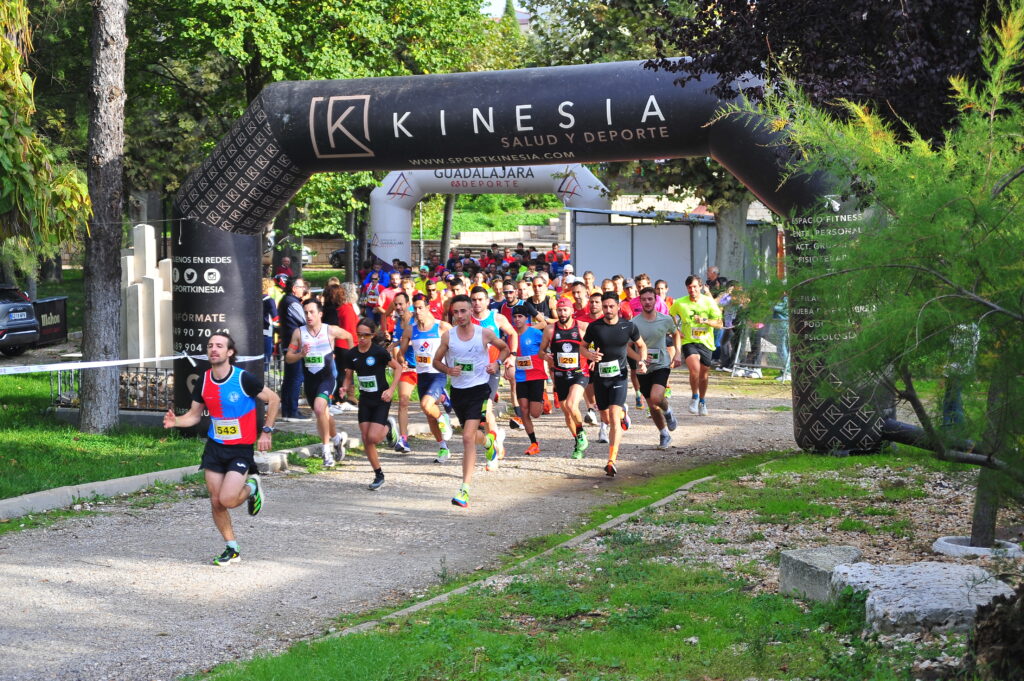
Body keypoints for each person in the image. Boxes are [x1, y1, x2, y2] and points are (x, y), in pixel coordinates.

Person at [163, 333, 279, 566]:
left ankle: (252, 487)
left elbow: (273, 399)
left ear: (230, 352)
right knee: (216, 501)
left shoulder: (243, 378)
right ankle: (232, 548)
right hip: (215, 447)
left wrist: (266, 431)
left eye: (219, 346)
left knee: (228, 500)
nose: (213, 349)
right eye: (210, 346)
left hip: (240, 449)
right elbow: (194, 416)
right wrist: (176, 422)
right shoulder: (204, 380)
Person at [432, 294, 510, 508]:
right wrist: (448, 370)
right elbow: (435, 361)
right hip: (459, 392)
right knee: (472, 435)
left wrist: (496, 364)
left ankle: (464, 489)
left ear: (470, 311)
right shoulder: (448, 336)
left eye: (463, 311)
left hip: (479, 389)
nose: (459, 315)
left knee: (467, 437)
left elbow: (505, 348)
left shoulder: (484, 333)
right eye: (456, 312)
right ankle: (489, 443)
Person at [582, 292, 647, 477]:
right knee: (605, 417)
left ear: (618, 306)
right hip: (601, 378)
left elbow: (641, 345)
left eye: (611, 306)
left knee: (612, 415)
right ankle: (623, 414)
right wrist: (590, 355)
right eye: (605, 307)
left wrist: (641, 361)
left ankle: (611, 460)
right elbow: (582, 347)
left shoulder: (628, 326)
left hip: (619, 377)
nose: (608, 310)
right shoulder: (595, 327)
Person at [285, 298, 353, 466]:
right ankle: (336, 438)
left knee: (319, 408)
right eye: (306, 312)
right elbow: (288, 358)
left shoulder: (330, 330)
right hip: (310, 381)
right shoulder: (299, 333)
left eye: (312, 312)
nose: (308, 316)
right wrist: (301, 354)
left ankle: (326, 451)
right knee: (322, 413)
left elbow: (349, 336)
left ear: (320, 314)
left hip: (327, 378)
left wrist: (351, 361)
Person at [340, 318, 403, 490]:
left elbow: (398, 368)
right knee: (366, 438)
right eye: (359, 335)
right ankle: (378, 474)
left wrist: (391, 389)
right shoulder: (351, 354)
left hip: (381, 399)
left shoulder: (379, 352)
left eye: (365, 335)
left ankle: (388, 427)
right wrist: (344, 388)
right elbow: (348, 376)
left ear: (372, 335)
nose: (361, 338)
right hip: (365, 400)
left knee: (374, 437)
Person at [400, 293, 455, 462]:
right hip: (422, 375)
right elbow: (401, 352)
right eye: (415, 309)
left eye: (420, 308)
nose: (417, 312)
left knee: (426, 404)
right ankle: (443, 448)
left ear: (428, 308)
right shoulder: (410, 329)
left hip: (438, 373)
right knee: (428, 414)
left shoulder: (441, 327)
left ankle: (444, 419)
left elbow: (457, 344)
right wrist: (402, 361)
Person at [540, 297, 591, 459]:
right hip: (560, 375)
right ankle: (578, 443)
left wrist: (593, 359)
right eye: (559, 310)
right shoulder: (550, 330)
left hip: (579, 373)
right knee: (567, 413)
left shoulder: (582, 328)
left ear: (571, 311)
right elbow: (541, 351)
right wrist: (545, 356)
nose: (562, 313)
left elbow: (594, 346)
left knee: (571, 404)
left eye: (565, 310)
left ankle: (581, 433)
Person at [633, 287, 682, 449]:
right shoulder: (634, 323)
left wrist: (677, 353)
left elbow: (676, 334)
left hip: (661, 364)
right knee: (652, 405)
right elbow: (627, 346)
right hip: (643, 368)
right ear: (640, 301)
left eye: (650, 299)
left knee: (656, 397)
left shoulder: (665, 319)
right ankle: (664, 434)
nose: (647, 302)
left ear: (656, 300)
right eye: (644, 299)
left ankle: (668, 411)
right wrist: (639, 358)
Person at [470, 286, 515, 459]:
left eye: (480, 299)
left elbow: (512, 333)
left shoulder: (496, 318)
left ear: (487, 301)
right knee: (479, 414)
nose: (477, 303)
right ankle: (496, 440)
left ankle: (493, 450)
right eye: (474, 300)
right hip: (472, 372)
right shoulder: (465, 319)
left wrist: (512, 355)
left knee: (486, 410)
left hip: (491, 369)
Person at [670, 275, 724, 416]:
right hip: (689, 341)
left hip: (706, 341)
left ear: (700, 286)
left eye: (694, 287)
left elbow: (719, 323)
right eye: (689, 287)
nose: (692, 290)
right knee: (695, 369)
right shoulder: (680, 303)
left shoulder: (709, 302)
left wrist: (705, 320)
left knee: (704, 374)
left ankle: (702, 401)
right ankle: (694, 397)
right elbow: (670, 314)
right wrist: (676, 330)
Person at [509, 304, 547, 455]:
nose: (517, 319)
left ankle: (543, 398)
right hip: (521, 377)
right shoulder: (511, 335)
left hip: (536, 376)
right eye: (515, 316)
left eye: (520, 316)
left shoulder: (535, 333)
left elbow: (546, 347)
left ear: (526, 318)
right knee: (523, 410)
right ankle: (534, 443)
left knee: (535, 413)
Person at [389, 291, 417, 453]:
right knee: (403, 401)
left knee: (430, 407)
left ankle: (443, 401)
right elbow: (395, 345)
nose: (398, 307)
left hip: (425, 368)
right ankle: (404, 439)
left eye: (401, 304)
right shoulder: (397, 324)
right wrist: (399, 360)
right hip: (408, 368)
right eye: (396, 304)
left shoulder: (417, 319)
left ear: (408, 304)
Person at [278, 276, 308, 420]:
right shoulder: (292, 303)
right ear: (294, 288)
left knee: (290, 378)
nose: (304, 290)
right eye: (302, 287)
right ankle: (292, 411)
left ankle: (287, 411)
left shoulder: (287, 300)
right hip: (294, 345)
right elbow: (305, 321)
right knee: (295, 377)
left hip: (289, 343)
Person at [261, 278, 279, 374]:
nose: (273, 289)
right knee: (266, 356)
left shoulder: (254, 299)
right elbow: (275, 318)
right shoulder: (269, 300)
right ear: (267, 288)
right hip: (266, 331)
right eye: (271, 287)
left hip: (255, 331)